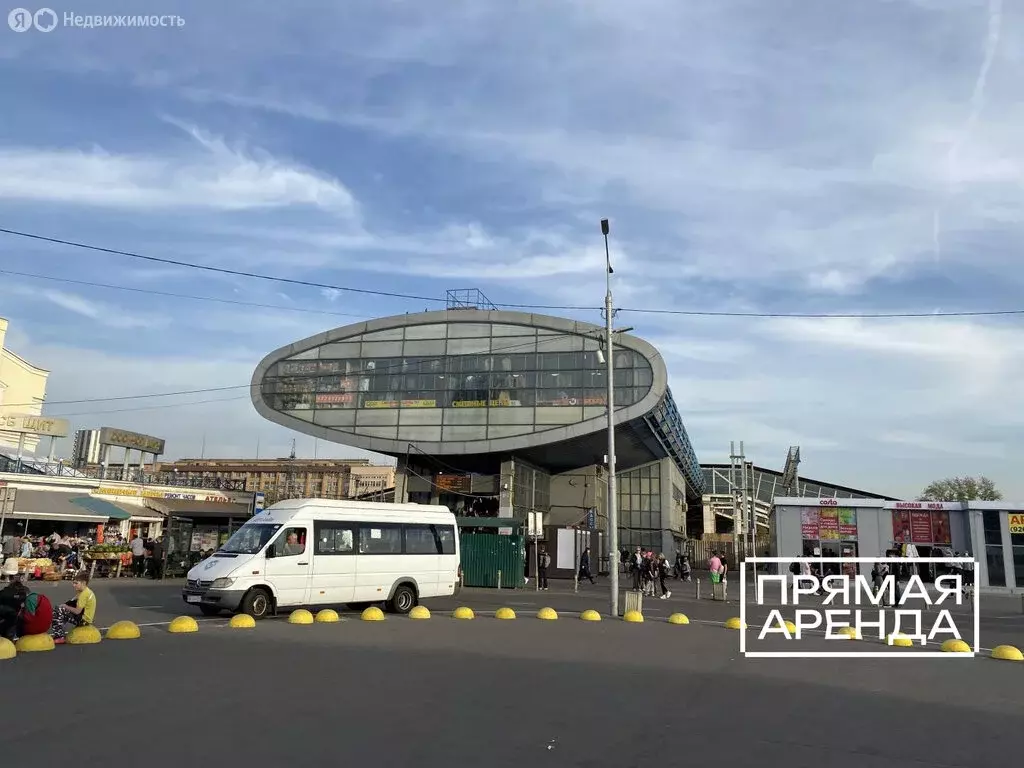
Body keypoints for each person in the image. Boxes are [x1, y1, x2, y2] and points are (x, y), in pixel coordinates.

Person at [50, 574, 97, 644]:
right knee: (59, 609)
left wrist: (65, 607)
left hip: (84, 621)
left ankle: (59, 637)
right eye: (73, 583)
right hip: (82, 617)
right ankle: (60, 632)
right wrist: (63, 606)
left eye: (76, 583)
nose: (74, 585)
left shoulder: (84, 594)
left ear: (83, 583)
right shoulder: (83, 591)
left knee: (59, 611)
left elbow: (77, 611)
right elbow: (72, 601)